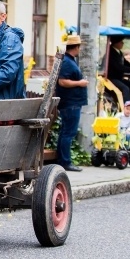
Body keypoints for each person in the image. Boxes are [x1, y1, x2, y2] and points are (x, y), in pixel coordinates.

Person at [56, 34, 88, 172]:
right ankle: (65, 162)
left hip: (71, 102)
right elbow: (62, 81)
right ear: (76, 47)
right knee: (68, 132)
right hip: (71, 103)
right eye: (79, 47)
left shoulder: (69, 61)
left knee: (66, 132)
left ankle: (63, 160)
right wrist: (80, 83)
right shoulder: (68, 62)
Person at [107, 35, 130, 108]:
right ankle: (127, 108)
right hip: (111, 78)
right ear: (116, 43)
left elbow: (125, 63)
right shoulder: (111, 52)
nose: (122, 43)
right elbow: (119, 67)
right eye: (121, 42)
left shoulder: (118, 52)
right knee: (125, 88)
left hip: (118, 78)